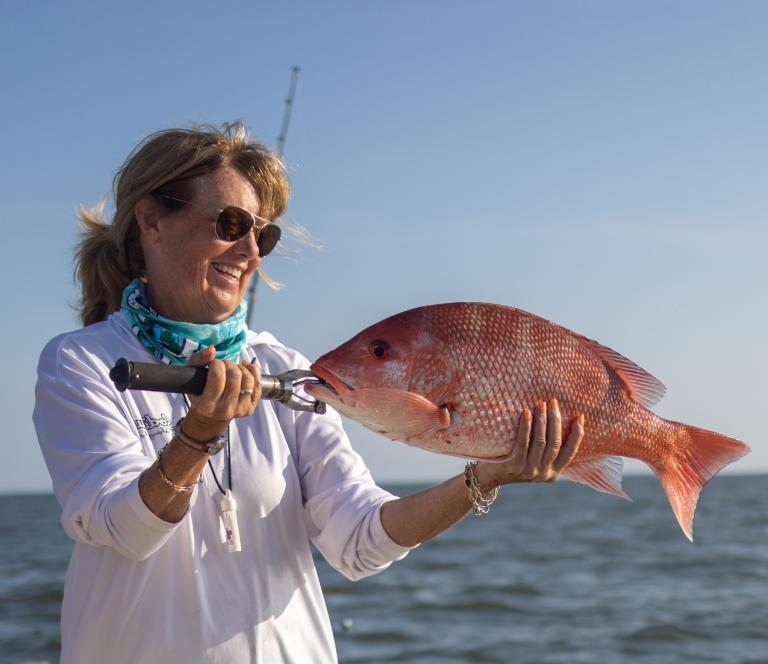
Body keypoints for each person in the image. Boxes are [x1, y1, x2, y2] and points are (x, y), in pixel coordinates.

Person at [33, 122, 584, 663]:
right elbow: (123, 529)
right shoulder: (82, 363)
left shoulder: (285, 369)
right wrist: (198, 435)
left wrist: (484, 477)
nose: (250, 249)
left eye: (262, 234)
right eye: (230, 223)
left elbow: (361, 540)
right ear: (151, 221)